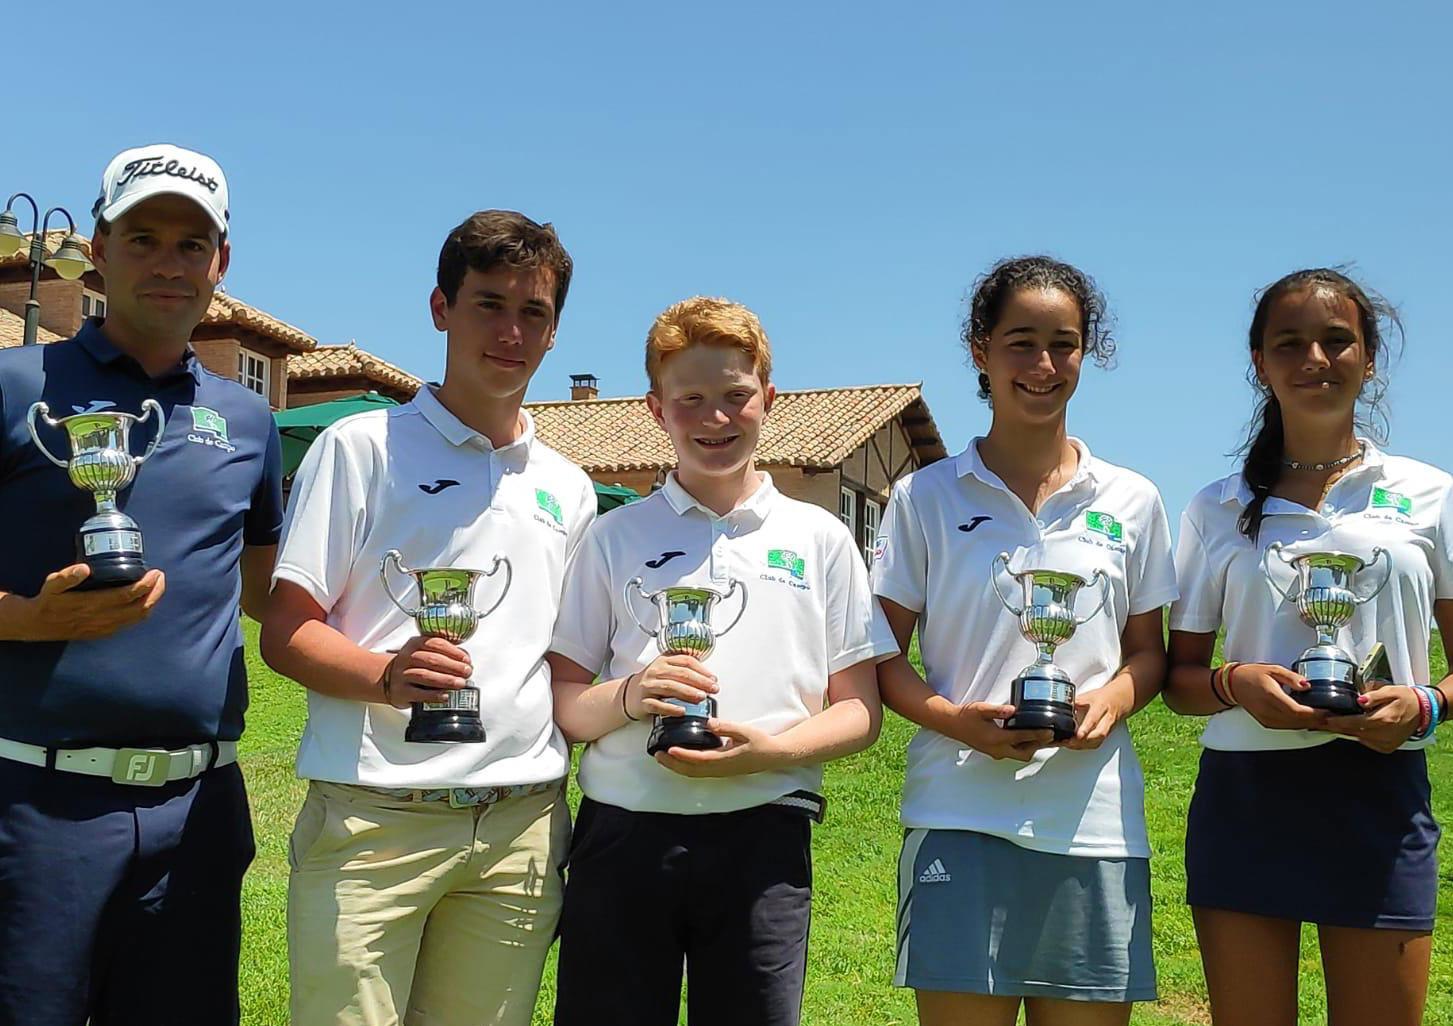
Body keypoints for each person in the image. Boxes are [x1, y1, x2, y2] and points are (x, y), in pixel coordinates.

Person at [260, 211, 594, 1026]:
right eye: (489, 304)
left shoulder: (570, 488)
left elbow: (571, 663)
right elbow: (287, 630)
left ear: (554, 332)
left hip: (521, 824)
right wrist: (384, 674)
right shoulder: (360, 447)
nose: (512, 331)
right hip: (374, 822)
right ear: (441, 308)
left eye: (534, 313)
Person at [547, 296, 896, 1026]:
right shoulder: (613, 537)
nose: (714, 418)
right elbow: (568, 705)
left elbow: (860, 711)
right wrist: (632, 694)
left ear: (768, 398)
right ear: (655, 409)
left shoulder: (819, 538)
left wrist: (770, 751)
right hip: (623, 835)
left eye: (735, 396)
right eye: (690, 400)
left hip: (762, 837)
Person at [0, 143, 281, 1025]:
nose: (170, 263)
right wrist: (24, 621)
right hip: (36, 805)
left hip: (197, 810)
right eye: (145, 237)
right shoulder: (14, 387)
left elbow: (271, 591)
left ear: (220, 264)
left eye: (192, 245)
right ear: (99, 246)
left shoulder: (246, 419)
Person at [875, 256, 1177, 1026]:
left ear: (1085, 352)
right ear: (980, 350)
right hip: (959, 814)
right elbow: (879, 655)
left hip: (1095, 825)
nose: (1042, 365)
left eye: (1063, 343)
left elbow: (1149, 652)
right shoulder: (924, 495)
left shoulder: (1131, 499)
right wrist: (951, 721)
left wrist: (1111, 698)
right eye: (1020, 342)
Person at [1165, 268, 1451, 1026]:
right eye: (1289, 343)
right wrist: (1233, 683)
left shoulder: (1429, 494)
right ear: (1259, 362)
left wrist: (1425, 703)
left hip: (1379, 798)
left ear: (1368, 357)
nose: (1314, 359)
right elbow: (1179, 676)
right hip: (1245, 800)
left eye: (1336, 341)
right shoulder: (1216, 507)